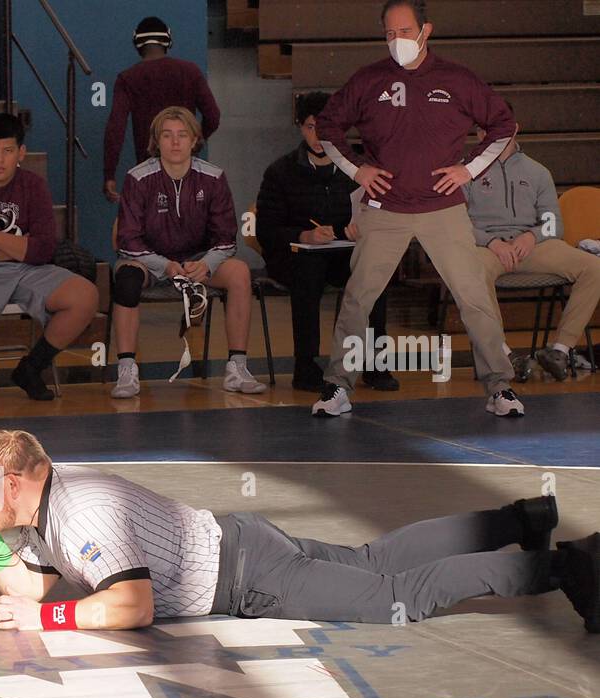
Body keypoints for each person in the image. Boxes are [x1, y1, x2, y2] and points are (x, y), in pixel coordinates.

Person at [0, 427, 600, 634]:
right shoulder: (48, 500)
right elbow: (30, 589)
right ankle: (520, 519)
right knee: (373, 558)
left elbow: (132, 605)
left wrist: (50, 624)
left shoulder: (82, 512)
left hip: (250, 574)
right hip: (239, 543)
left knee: (396, 596)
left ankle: (568, 566)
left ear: (11, 484)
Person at [312, 0, 524, 418]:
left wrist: (468, 168)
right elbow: (327, 127)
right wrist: (358, 170)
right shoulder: (368, 79)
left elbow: (502, 126)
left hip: (443, 209)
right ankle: (338, 386)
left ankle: (500, 387)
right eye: (389, 33)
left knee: (474, 298)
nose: (397, 41)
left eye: (405, 31)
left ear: (426, 30)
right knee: (358, 298)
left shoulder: (457, 79)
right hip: (384, 208)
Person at [0, 112, 98, 403]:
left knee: (85, 296)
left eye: (8, 151)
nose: (0, 160)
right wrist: (20, 245)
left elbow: (44, 250)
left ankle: (32, 368)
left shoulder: (33, 185)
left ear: (21, 152)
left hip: (25, 269)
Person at [111, 106, 260, 397]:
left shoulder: (214, 178)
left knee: (240, 272)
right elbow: (127, 240)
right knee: (126, 280)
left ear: (194, 140)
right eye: (167, 135)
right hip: (149, 261)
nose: (175, 142)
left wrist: (206, 264)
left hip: (197, 261)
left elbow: (227, 238)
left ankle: (237, 368)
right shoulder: (138, 178)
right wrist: (164, 265)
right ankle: (127, 370)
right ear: (156, 141)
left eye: (182, 135)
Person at [257, 92, 396, 393]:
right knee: (308, 272)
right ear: (299, 127)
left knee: (373, 271)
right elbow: (266, 228)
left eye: (326, 127)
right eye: (310, 127)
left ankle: (374, 363)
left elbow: (384, 209)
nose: (319, 135)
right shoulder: (280, 172)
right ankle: (305, 364)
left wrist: (363, 227)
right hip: (296, 255)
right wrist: (301, 235)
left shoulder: (359, 168)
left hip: (344, 250)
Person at [465, 113, 600, 383]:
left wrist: (531, 236)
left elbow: (553, 224)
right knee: (468, 275)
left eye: (501, 127)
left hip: (532, 247)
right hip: (486, 248)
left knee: (594, 267)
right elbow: (456, 224)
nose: (492, 134)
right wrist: (491, 242)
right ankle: (504, 355)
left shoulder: (537, 172)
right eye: (485, 129)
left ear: (515, 129)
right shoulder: (464, 171)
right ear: (479, 134)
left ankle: (560, 351)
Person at [102, 15, 220, 204]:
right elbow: (213, 117)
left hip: (148, 170)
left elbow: (116, 129)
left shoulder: (128, 78)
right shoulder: (190, 71)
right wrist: (191, 143)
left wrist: (109, 174)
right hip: (186, 166)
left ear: (137, 44)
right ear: (168, 41)